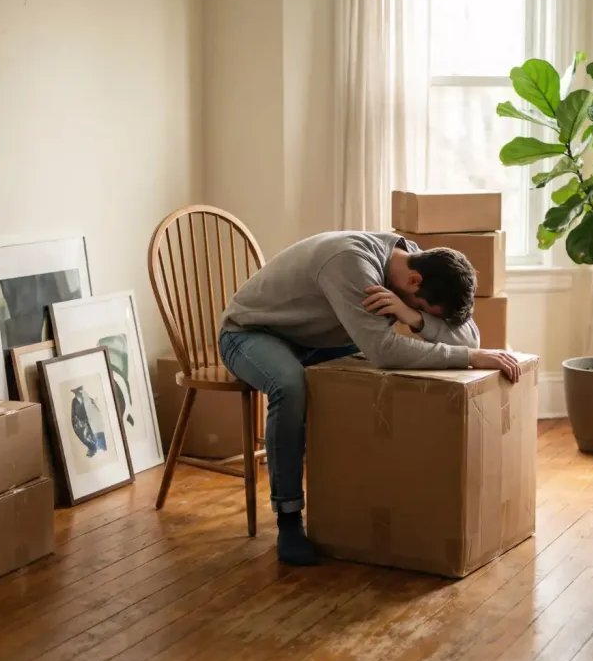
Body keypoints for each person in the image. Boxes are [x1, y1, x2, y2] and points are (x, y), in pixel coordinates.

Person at [218, 231, 521, 565]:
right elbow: (385, 350)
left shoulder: (420, 263)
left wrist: (414, 316)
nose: (418, 310)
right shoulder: (351, 263)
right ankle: (288, 518)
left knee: (365, 377)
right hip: (250, 334)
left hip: (319, 340)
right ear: (415, 281)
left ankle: (352, 501)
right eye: (421, 306)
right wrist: (469, 358)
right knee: (289, 387)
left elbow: (469, 337)